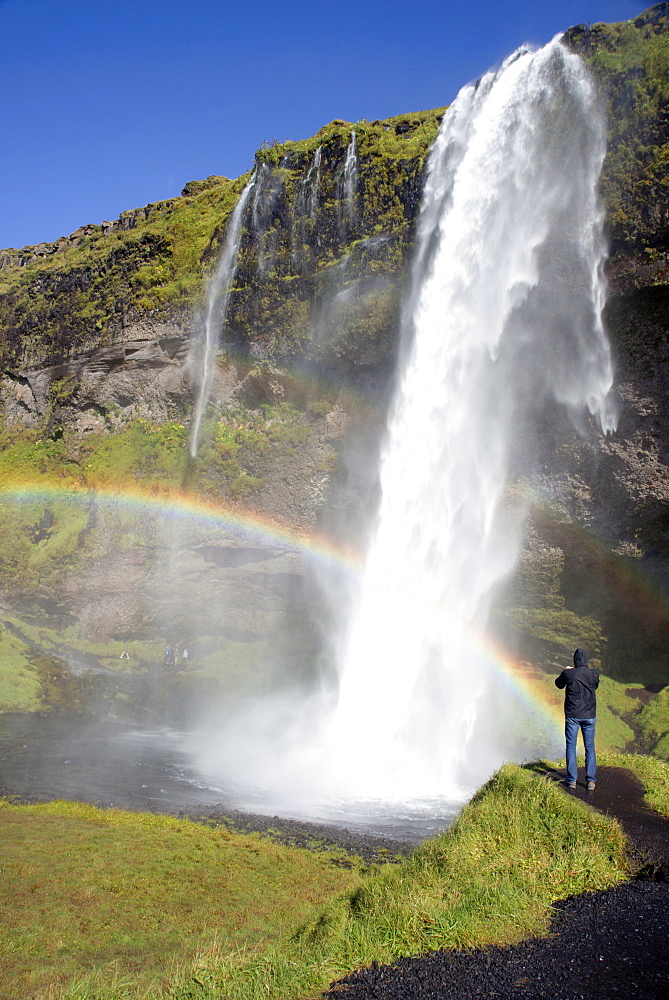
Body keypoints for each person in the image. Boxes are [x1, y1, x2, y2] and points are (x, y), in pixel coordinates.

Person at [555, 648, 599, 790]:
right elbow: (595, 686)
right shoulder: (594, 674)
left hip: (573, 716)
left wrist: (566, 671)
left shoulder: (569, 673)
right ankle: (591, 781)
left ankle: (572, 780)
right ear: (586, 661)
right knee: (590, 748)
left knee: (571, 747)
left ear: (575, 660)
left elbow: (558, 684)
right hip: (589, 716)